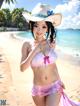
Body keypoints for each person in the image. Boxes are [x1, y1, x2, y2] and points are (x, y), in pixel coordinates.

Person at [20, 3, 80, 106]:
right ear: (32, 25)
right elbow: (22, 68)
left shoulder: (50, 43)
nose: (39, 30)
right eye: (36, 25)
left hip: (54, 86)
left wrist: (60, 81)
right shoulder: (27, 45)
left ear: (48, 29)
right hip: (37, 90)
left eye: (43, 27)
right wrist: (35, 50)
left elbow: (53, 66)